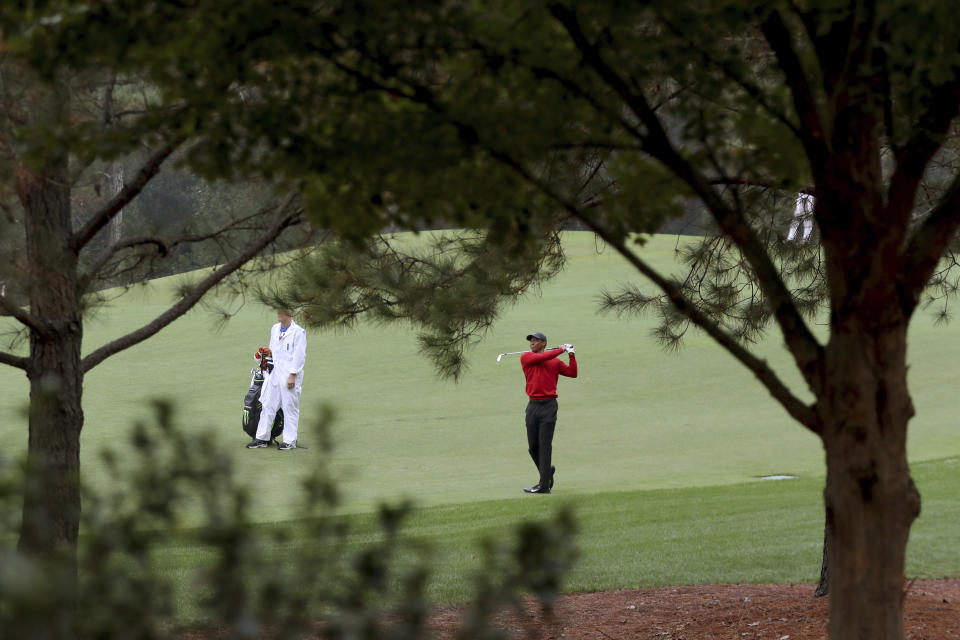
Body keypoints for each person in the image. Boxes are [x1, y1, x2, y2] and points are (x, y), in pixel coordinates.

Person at [519, 331, 577, 494]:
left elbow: (573, 373)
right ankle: (547, 471)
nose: (532, 343)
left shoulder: (555, 362)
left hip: (549, 406)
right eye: (531, 340)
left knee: (545, 446)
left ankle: (544, 485)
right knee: (533, 447)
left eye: (536, 340)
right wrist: (561, 349)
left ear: (544, 343)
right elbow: (542, 358)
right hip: (532, 406)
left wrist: (571, 355)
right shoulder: (526, 357)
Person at [246, 309, 307, 451]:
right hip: (273, 374)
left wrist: (293, 374)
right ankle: (262, 437)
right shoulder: (274, 329)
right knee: (267, 405)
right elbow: (272, 350)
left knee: (289, 407)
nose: (279, 313)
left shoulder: (298, 332)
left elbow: (299, 355)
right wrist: (263, 356)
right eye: (278, 311)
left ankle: (290, 440)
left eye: (282, 311)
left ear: (290, 313)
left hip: (289, 376)